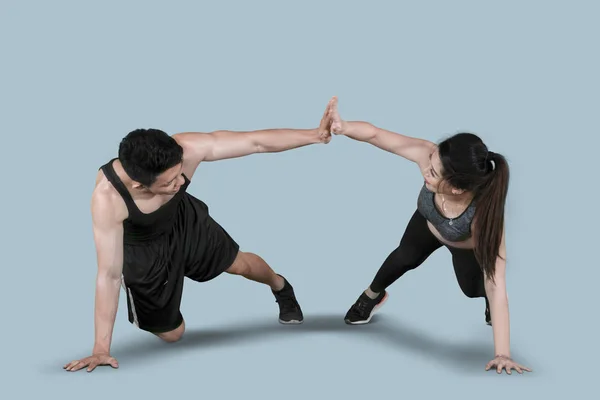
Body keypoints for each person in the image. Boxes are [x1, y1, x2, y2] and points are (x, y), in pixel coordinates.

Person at [63, 100, 334, 373]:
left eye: (179, 174)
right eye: (168, 183)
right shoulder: (108, 199)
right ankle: (160, 296)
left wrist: (315, 135)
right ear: (139, 185)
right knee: (173, 334)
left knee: (240, 264)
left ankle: (280, 286)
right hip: (143, 251)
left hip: (183, 220)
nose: (180, 183)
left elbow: (255, 142)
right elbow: (108, 275)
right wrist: (101, 349)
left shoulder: (187, 148)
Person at [328, 97, 532, 375]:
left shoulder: (484, 218)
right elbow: (377, 135)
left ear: (458, 188)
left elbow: (497, 284)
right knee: (403, 256)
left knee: (475, 289)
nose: (426, 170)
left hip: (464, 246)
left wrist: (502, 354)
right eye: (431, 163)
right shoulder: (430, 155)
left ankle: (486, 308)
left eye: (434, 173)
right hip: (428, 224)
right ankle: (372, 295)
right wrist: (344, 126)